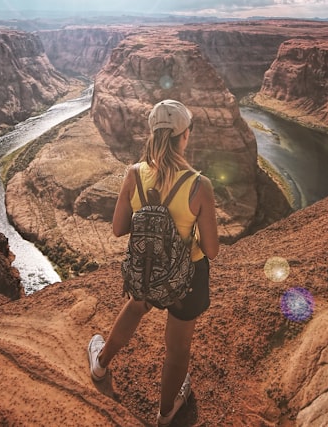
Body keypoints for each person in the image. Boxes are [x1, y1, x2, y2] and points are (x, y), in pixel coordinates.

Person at [87, 99, 219, 426]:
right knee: (177, 350)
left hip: (147, 267)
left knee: (136, 305)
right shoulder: (199, 185)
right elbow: (212, 250)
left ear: (152, 134)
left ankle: (101, 364)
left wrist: (152, 229)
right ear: (184, 136)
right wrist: (180, 236)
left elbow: (119, 229)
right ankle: (165, 413)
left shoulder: (134, 174)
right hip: (186, 279)